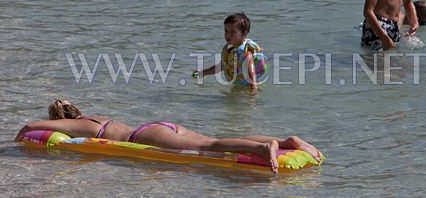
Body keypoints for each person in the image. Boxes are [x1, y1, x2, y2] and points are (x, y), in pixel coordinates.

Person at [15, 100, 322, 174]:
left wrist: (19, 140)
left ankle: (264, 147)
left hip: (146, 136)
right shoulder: (96, 116)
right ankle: (285, 141)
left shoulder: (80, 126)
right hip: (160, 126)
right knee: (216, 139)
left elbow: (31, 127)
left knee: (209, 147)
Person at [195, 13, 267, 95]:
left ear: (244, 34)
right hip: (238, 88)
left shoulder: (246, 53)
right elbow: (223, 66)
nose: (228, 35)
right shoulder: (230, 49)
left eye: (233, 32)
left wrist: (254, 88)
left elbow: (251, 71)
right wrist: (203, 73)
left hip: (249, 89)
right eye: (226, 31)